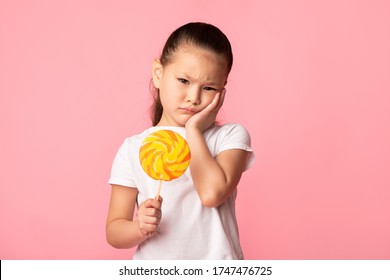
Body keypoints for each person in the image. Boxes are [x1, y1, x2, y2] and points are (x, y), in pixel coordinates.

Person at [106, 22, 255, 259]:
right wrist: (139, 228)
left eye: (208, 87)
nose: (193, 98)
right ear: (158, 74)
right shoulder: (133, 148)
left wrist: (193, 130)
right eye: (183, 81)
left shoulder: (229, 138)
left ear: (221, 93)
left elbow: (211, 194)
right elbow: (114, 231)